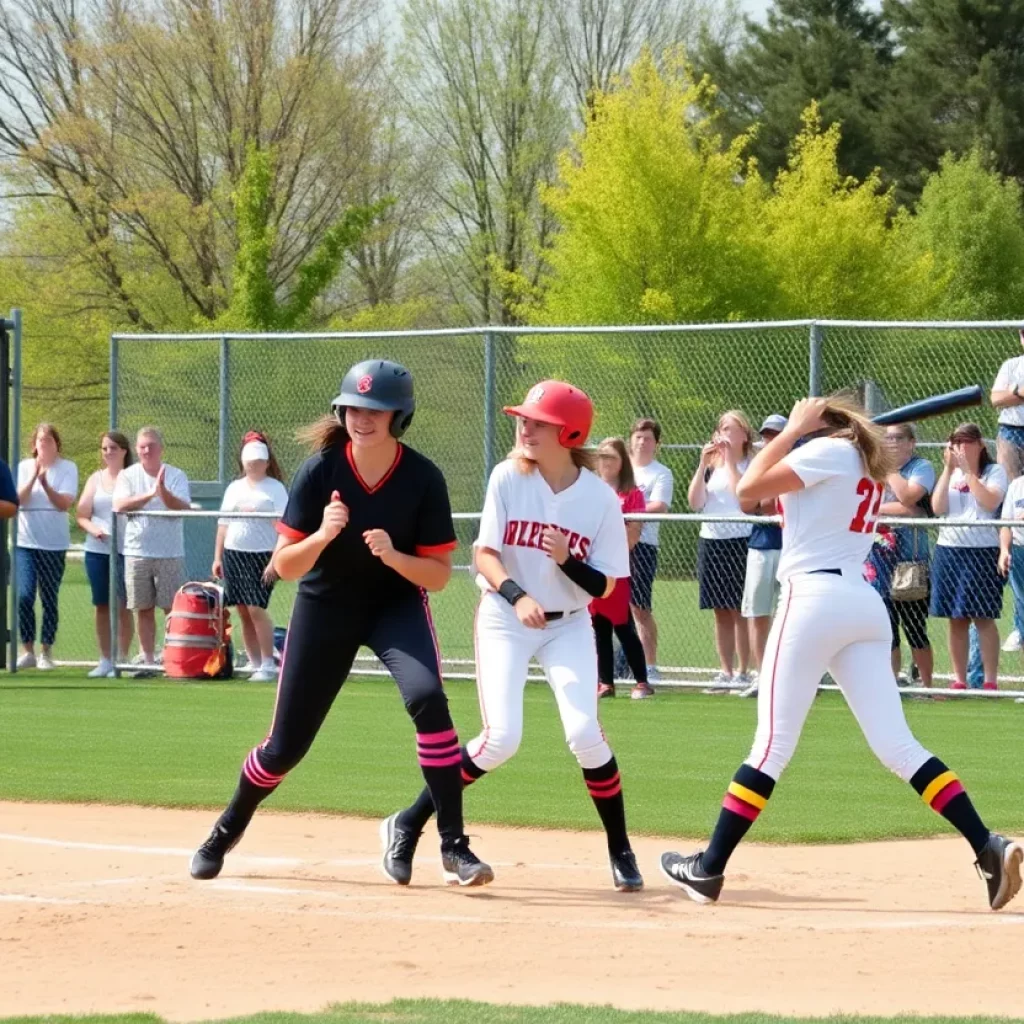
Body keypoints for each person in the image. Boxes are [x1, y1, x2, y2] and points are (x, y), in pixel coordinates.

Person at [660, 396, 1022, 913]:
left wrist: (794, 431)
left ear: (825, 428)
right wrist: (799, 434)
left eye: (809, 421)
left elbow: (744, 490)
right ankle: (987, 845)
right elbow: (755, 500)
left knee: (770, 747)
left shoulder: (830, 453)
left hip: (812, 601)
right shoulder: (857, 461)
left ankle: (708, 868)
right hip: (859, 603)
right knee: (898, 747)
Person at [190, 360, 491, 887]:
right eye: (354, 406)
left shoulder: (423, 477)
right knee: (285, 746)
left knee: (428, 698)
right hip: (325, 606)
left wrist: (396, 557)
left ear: (400, 416)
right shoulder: (320, 470)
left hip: (395, 606)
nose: (362, 417)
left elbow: (439, 576)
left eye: (376, 409)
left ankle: (454, 847)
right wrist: (323, 536)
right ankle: (227, 826)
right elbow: (283, 566)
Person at [382, 380, 644, 893]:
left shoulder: (599, 500)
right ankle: (409, 822)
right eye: (523, 418)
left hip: (568, 624)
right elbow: (484, 554)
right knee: (501, 739)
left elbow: (608, 583)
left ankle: (621, 849)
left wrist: (568, 560)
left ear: (569, 432)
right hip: (506, 617)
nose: (524, 426)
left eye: (537, 421)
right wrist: (518, 594)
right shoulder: (508, 477)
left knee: (584, 734)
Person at [931, 423, 1008, 691]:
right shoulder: (951, 473)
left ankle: (990, 680)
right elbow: (938, 508)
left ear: (980, 445)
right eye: (955, 442)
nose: (960, 447)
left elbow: (990, 502)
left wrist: (967, 472)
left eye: (966, 442)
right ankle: (959, 679)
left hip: (982, 550)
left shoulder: (994, 472)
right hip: (949, 549)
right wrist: (948, 469)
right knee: (956, 617)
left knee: (983, 615)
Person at [112, 427, 192, 673]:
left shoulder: (176, 475)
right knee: (142, 608)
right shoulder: (127, 476)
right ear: (137, 449)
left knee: (171, 608)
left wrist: (163, 492)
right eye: (143, 446)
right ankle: (147, 660)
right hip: (137, 552)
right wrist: (149, 494)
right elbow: (120, 505)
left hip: (169, 553)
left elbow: (181, 507)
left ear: (161, 449)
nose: (147, 450)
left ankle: (171, 657)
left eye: (151, 446)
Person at [863, 424, 936, 690]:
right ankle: (890, 686)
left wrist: (890, 472)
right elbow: (868, 503)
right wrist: (898, 509)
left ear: (911, 443)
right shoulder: (873, 467)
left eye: (897, 438)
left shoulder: (920, 467)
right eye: (887, 438)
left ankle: (928, 686)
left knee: (915, 628)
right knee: (887, 629)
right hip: (878, 558)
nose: (891, 443)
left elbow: (909, 498)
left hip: (910, 559)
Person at [213, 432, 289, 682]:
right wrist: (218, 557)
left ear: (267, 462)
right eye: (249, 460)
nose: (253, 465)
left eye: (258, 460)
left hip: (262, 555)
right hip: (234, 554)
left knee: (257, 607)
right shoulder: (234, 488)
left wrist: (274, 560)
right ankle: (255, 662)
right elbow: (223, 524)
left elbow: (284, 528)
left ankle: (268, 662)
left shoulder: (275, 489)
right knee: (243, 610)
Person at [688, 410, 754, 692]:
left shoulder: (751, 463)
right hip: (711, 540)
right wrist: (704, 464)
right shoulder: (711, 465)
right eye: (722, 428)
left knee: (740, 609)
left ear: (744, 434)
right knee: (720, 610)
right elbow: (694, 502)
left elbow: (743, 497)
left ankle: (743, 671)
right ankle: (725, 672)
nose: (725, 433)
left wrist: (730, 463)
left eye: (731, 428)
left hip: (741, 540)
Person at [592, 437, 652, 700]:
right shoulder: (591, 490)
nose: (605, 463)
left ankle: (641, 680)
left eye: (611, 458)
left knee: (623, 625)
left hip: (616, 568)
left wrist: (608, 546)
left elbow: (633, 534)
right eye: (601, 457)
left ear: (622, 462)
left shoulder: (632, 493)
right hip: (592, 567)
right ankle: (605, 682)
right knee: (598, 626)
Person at [16, 423, 78, 669]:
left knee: (49, 597)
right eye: (40, 441)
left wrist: (46, 484)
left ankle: (46, 652)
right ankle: (27, 650)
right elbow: (17, 499)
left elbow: (64, 503)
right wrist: (34, 477)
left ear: (56, 444)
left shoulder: (67, 468)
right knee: (24, 595)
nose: (44, 445)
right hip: (25, 542)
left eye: (49, 440)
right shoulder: (23, 467)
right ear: (34, 445)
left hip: (53, 544)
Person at [76, 431, 135, 677]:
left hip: (125, 549)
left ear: (123, 451)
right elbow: (81, 514)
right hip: (97, 550)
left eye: (112, 448)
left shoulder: (132, 477)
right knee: (102, 604)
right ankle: (105, 659)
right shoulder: (95, 479)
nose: (108, 452)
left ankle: (122, 658)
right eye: (104, 449)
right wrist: (95, 530)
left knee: (123, 604)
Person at [736, 414, 787, 699]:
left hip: (790, 547)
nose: (769, 440)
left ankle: (790, 678)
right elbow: (748, 504)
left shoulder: (797, 463)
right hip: (760, 545)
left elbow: (766, 504)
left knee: (790, 616)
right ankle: (761, 675)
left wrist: (764, 499)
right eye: (766, 435)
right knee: (758, 613)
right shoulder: (758, 466)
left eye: (776, 435)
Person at [626, 418, 674, 681]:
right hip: (613, 544)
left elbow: (659, 506)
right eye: (638, 437)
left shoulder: (661, 473)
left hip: (643, 545)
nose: (642, 442)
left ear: (657, 444)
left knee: (640, 608)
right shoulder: (621, 469)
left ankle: (650, 667)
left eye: (648, 438)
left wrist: (628, 508)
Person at [989, 328, 1024, 651]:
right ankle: (1007, 545)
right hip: (1013, 431)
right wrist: (1019, 390)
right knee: (1013, 496)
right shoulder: (1012, 364)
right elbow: (997, 399)